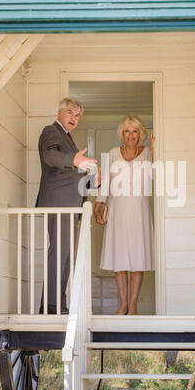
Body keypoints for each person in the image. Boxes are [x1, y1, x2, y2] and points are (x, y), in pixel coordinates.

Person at [36, 97, 99, 314]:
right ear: (60, 112)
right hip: (58, 204)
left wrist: (92, 180)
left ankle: (58, 304)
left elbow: (73, 176)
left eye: (78, 115)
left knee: (65, 257)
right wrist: (75, 160)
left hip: (71, 207)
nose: (74, 118)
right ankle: (51, 306)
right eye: (71, 112)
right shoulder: (51, 131)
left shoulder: (69, 139)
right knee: (58, 254)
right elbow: (50, 156)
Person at [94, 115, 155, 315]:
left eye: (135, 131)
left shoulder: (147, 153)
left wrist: (154, 148)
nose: (131, 135)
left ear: (141, 135)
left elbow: (156, 174)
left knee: (138, 258)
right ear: (122, 133)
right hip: (118, 209)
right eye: (127, 131)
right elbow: (105, 180)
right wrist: (100, 203)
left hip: (139, 210)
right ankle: (122, 305)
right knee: (119, 257)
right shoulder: (112, 153)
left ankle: (133, 305)